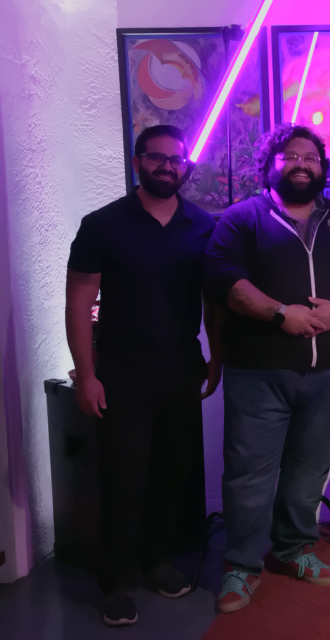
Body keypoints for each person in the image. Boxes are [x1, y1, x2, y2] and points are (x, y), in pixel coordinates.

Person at [205, 123, 330, 614]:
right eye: (290, 155)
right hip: (258, 372)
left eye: (311, 156)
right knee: (249, 474)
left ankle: (294, 550)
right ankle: (242, 567)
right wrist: (280, 313)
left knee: (309, 469)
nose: (302, 163)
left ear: (323, 168)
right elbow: (224, 279)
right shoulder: (242, 218)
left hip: (329, 371)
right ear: (270, 165)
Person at [65, 124, 220, 627]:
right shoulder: (103, 224)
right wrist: (86, 374)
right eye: (157, 158)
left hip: (180, 368)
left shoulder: (203, 224)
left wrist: (215, 358)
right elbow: (79, 300)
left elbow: (213, 300)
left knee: (172, 473)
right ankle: (116, 579)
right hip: (120, 372)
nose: (168, 166)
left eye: (177, 160)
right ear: (137, 162)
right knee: (123, 478)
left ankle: (157, 561)